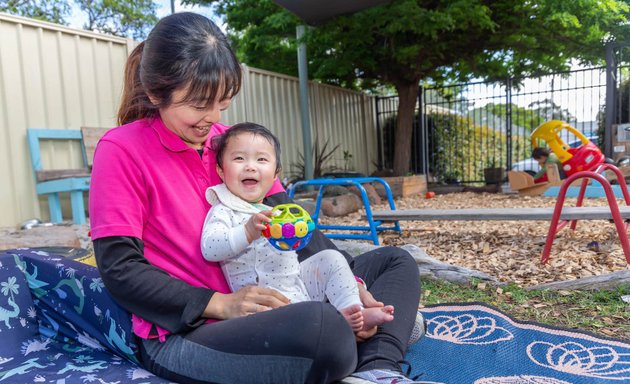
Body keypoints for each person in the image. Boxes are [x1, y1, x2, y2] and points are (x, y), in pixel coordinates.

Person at [89, 12, 422, 384]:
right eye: (199, 105)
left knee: (395, 262)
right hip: (191, 330)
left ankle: (378, 367)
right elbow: (120, 269)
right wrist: (221, 303)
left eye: (223, 103)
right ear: (155, 94)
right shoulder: (121, 150)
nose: (213, 119)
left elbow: (294, 225)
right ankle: (372, 336)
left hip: (282, 291)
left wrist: (353, 288)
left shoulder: (232, 143)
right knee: (322, 328)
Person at [201, 122, 395, 333]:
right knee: (307, 325)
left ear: (275, 174)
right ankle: (335, 327)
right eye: (239, 158)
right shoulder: (224, 209)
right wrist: (247, 232)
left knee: (331, 257)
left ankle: (352, 310)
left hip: (298, 285)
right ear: (221, 170)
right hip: (266, 305)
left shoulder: (275, 210)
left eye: (261, 159)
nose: (250, 166)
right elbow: (210, 249)